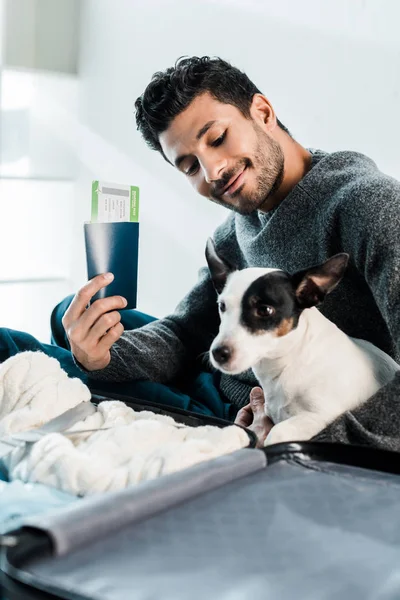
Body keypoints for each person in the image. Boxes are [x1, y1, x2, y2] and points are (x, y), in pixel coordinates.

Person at [2, 56, 400, 448]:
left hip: (248, 407)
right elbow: (185, 331)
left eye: (217, 138)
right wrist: (101, 356)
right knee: (68, 315)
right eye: (190, 166)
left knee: (11, 349)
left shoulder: (369, 206)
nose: (213, 172)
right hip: (220, 368)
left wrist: (295, 442)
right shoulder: (233, 231)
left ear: (262, 112)